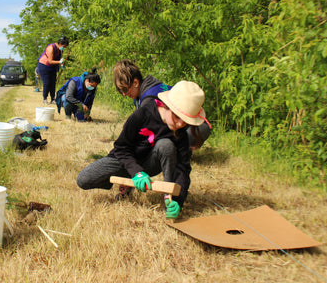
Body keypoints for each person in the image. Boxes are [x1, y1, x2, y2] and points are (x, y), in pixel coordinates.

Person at [77, 80, 211, 219]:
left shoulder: (181, 131)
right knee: (84, 179)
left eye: (186, 121)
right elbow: (121, 148)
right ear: (167, 105)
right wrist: (136, 172)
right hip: (124, 159)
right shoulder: (142, 114)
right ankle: (128, 182)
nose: (180, 124)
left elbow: (183, 168)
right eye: (177, 116)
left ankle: (168, 198)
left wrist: (178, 200)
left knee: (166, 145)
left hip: (150, 163)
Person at [113, 59, 212, 151]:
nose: (124, 94)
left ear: (135, 82)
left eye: (125, 89)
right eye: (120, 91)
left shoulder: (149, 98)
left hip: (197, 126)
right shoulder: (146, 89)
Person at [37, 36, 69, 104]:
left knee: (53, 83)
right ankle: (45, 99)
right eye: (64, 46)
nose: (64, 48)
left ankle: (53, 99)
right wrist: (59, 62)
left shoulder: (60, 50)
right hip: (44, 65)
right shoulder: (51, 48)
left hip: (53, 67)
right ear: (60, 43)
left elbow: (60, 59)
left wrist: (62, 65)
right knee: (47, 82)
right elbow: (50, 61)